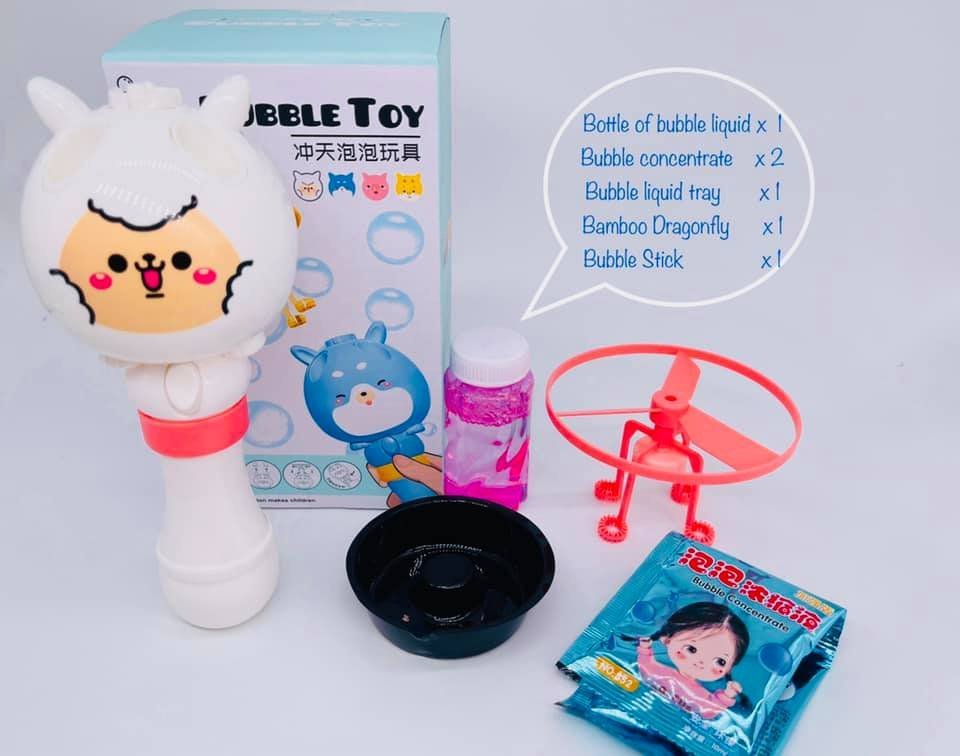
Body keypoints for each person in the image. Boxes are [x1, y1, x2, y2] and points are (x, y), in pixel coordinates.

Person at [636, 602, 750, 719]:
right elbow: (645, 667)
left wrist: (727, 695)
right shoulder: (660, 673)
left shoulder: (699, 695)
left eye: (720, 661)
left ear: (729, 668)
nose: (701, 662)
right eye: (691, 649)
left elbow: (708, 711)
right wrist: (645, 648)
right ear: (667, 638)